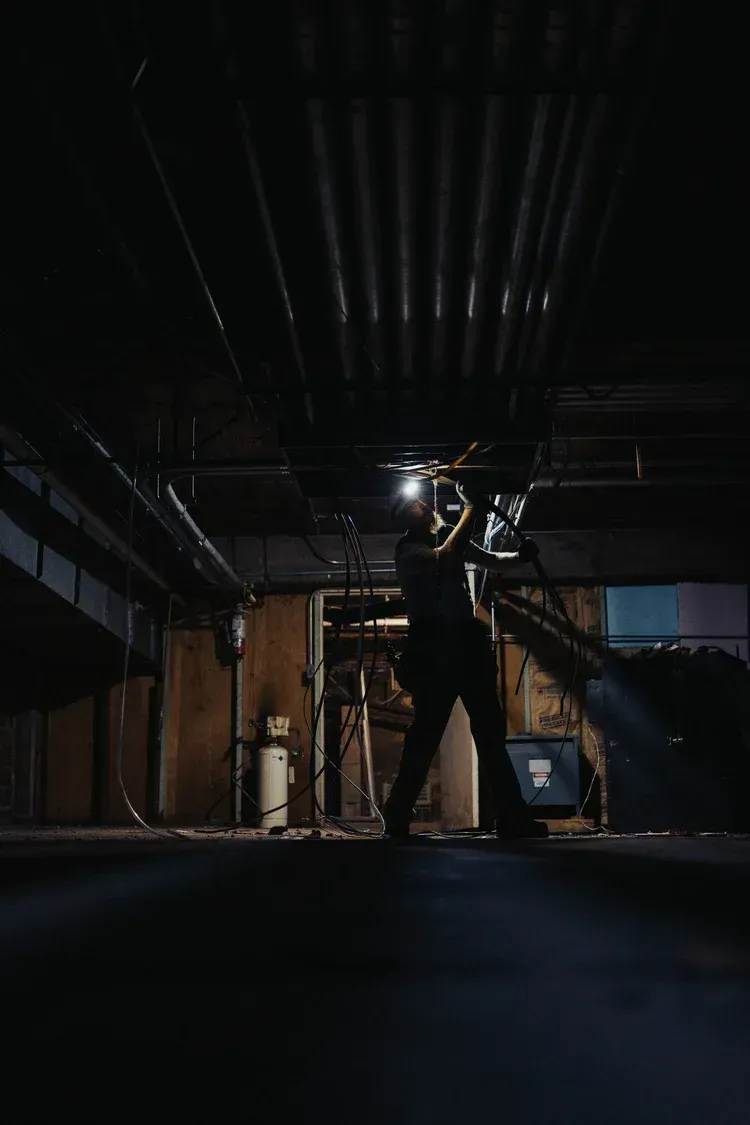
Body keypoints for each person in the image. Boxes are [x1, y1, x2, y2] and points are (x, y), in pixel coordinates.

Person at [383, 483, 549, 841]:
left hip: (464, 643)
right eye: (411, 504)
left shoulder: (446, 533)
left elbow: (489, 559)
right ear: (401, 519)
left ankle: (511, 816)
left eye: (420, 498)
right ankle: (396, 815)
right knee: (426, 735)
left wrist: (521, 556)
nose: (422, 503)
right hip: (434, 647)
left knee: (489, 732)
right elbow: (446, 556)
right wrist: (472, 508)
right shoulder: (408, 550)